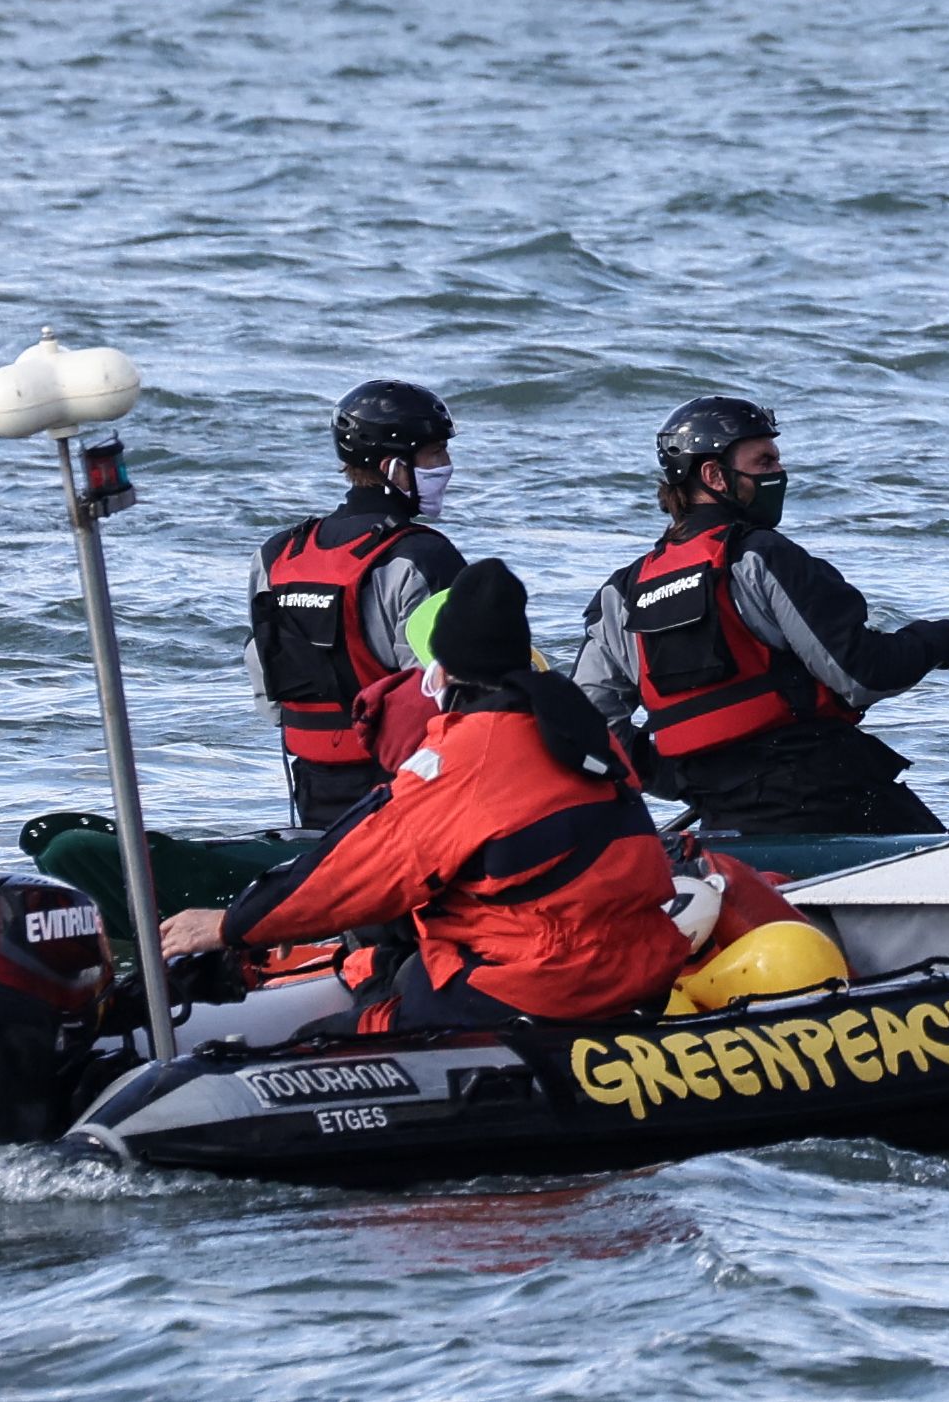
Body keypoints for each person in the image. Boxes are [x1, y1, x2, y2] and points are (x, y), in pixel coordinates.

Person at [162, 558, 690, 1032]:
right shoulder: (577, 729)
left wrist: (233, 924)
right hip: (638, 968)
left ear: (446, 668)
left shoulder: (464, 758)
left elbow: (356, 868)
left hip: (544, 982)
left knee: (313, 1045)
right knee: (403, 964)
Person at [573, 396, 949, 837]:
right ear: (714, 475)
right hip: (828, 795)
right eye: (764, 462)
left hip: (721, 817)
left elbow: (588, 727)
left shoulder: (622, 593)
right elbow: (862, 674)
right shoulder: (762, 557)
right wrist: (936, 642)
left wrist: (680, 773)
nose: (779, 473)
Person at [251, 379, 467, 829]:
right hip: (400, 791)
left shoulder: (276, 554)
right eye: (434, 454)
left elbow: (266, 683)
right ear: (393, 466)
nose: (446, 466)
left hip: (312, 786)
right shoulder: (425, 558)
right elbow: (445, 696)